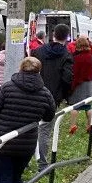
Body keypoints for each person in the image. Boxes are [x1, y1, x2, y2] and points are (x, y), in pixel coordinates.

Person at [0, 57, 56, 183]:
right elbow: (49, 115)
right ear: (39, 71)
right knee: (16, 178)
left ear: (21, 68)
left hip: (3, 143)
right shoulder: (45, 92)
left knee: (3, 179)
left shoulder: (7, 88)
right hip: (26, 144)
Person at [31, 24, 73, 172]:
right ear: (67, 37)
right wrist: (64, 95)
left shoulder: (38, 51)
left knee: (29, 128)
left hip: (34, 93)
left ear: (53, 34)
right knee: (45, 130)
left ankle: (26, 161)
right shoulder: (67, 55)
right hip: (52, 97)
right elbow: (67, 78)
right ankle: (42, 164)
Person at [68, 37, 92, 132]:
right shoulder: (90, 55)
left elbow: (75, 72)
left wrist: (72, 86)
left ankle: (73, 125)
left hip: (79, 83)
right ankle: (90, 124)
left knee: (75, 106)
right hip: (88, 84)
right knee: (88, 106)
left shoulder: (76, 57)